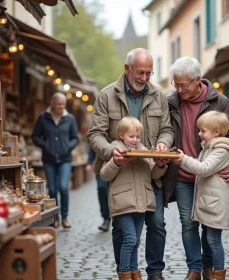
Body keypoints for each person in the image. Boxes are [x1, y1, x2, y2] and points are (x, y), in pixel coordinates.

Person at [86, 48, 174, 280]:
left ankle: (155, 272)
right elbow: (95, 134)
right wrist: (112, 152)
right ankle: (124, 271)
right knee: (121, 229)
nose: (144, 78)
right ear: (127, 69)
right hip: (119, 173)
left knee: (156, 223)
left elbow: (166, 130)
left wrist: (163, 146)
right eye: (140, 72)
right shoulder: (107, 95)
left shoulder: (159, 96)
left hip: (149, 172)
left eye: (149, 73)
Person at [161, 56, 229, 280]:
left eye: (183, 85)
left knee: (209, 226)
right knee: (188, 224)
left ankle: (210, 269)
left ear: (197, 80)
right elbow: (165, 132)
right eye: (175, 84)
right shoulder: (171, 101)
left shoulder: (220, 101)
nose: (179, 89)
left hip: (209, 178)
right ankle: (194, 270)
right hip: (180, 175)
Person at [173, 111, 229, 280]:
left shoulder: (221, 151)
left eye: (203, 131)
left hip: (216, 205)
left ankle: (218, 275)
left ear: (216, 132)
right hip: (211, 202)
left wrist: (183, 159)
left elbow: (203, 168)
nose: (199, 134)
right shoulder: (211, 147)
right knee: (211, 238)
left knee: (213, 240)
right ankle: (210, 272)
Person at [100, 117, 168, 280]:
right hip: (123, 202)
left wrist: (160, 165)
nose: (135, 140)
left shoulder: (143, 150)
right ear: (121, 135)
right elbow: (104, 174)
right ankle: (124, 273)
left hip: (142, 202)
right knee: (130, 239)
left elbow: (154, 174)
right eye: (131, 136)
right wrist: (116, 163)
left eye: (138, 136)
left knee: (136, 240)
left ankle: (134, 272)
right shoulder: (114, 149)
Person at [32, 92, 79, 228]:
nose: (61, 106)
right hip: (49, 159)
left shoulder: (69, 118)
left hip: (65, 159)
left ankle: (65, 217)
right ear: (52, 104)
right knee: (52, 189)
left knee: (63, 187)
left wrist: (68, 147)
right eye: (58, 104)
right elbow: (35, 136)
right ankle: (55, 218)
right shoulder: (43, 117)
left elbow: (75, 138)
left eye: (63, 104)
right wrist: (45, 145)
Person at [86, 149, 110, 231]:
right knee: (102, 188)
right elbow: (93, 146)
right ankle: (106, 218)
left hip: (120, 164)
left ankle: (119, 219)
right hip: (101, 165)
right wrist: (89, 162)